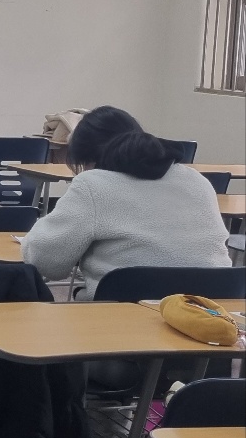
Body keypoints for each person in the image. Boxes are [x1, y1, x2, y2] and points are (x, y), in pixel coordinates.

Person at [22, 106, 230, 299]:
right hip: (211, 308)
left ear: (88, 158)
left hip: (129, 312)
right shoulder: (196, 180)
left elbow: (46, 263)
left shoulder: (93, 184)